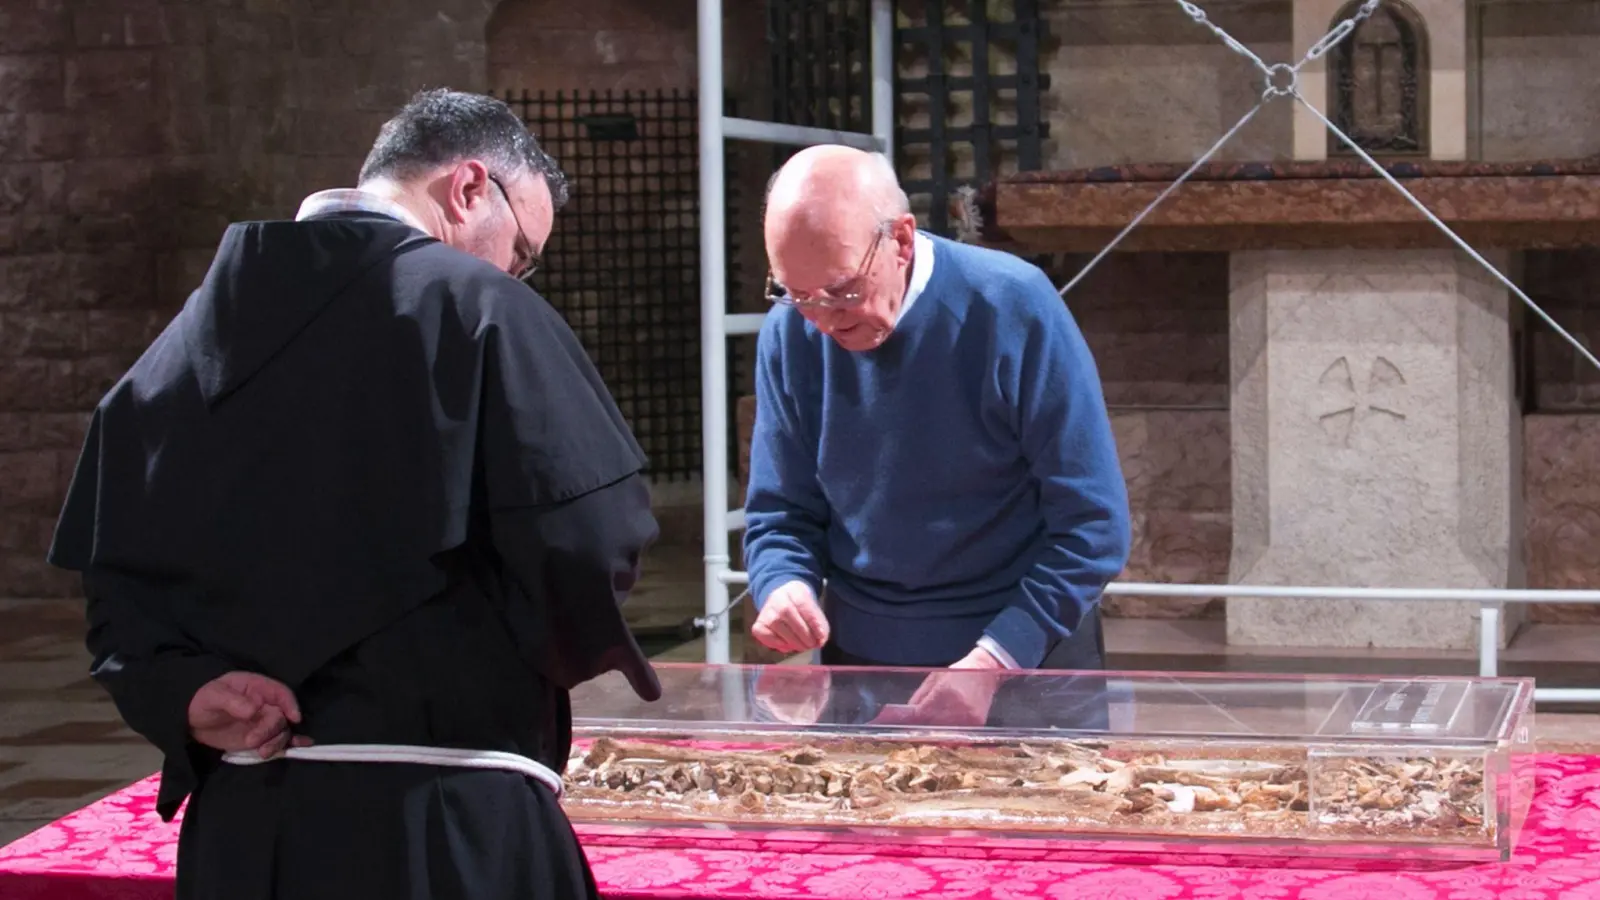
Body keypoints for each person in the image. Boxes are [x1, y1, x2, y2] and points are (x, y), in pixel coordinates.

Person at [46, 89, 659, 900]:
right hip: (443, 819)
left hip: (246, 830)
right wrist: (510, 660)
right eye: (521, 250)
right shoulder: (484, 310)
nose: (516, 273)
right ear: (469, 188)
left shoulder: (179, 346)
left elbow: (117, 583)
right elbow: (586, 541)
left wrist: (184, 692)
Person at [742, 144, 1131, 731]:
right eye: (796, 295)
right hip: (862, 665)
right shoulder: (789, 333)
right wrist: (783, 585)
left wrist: (994, 659)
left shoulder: (1012, 305)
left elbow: (1094, 526)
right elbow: (780, 513)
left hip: (1023, 660)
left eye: (842, 291)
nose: (822, 321)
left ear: (901, 240)